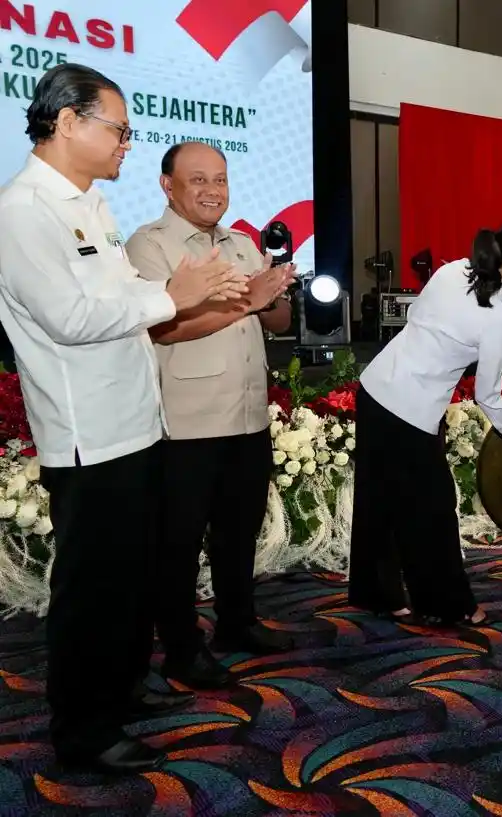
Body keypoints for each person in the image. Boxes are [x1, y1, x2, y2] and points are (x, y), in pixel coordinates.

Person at [0, 64, 246, 773]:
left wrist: (175, 290)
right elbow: (71, 318)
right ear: (67, 121)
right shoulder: (24, 210)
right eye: (120, 130)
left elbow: (121, 295)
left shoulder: (90, 204)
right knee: (93, 590)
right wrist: (173, 295)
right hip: (91, 436)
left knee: (133, 579)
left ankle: (123, 689)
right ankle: (83, 729)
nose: (127, 145)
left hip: (136, 425)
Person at [126, 141, 297, 691]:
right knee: (177, 544)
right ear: (167, 185)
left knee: (238, 533)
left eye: (220, 179)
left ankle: (237, 623)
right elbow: (162, 328)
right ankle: (181, 649)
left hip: (248, 416)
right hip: (187, 424)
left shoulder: (242, 243)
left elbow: (277, 322)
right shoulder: (149, 245)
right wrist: (247, 301)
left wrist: (274, 292)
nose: (212, 191)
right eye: (198, 179)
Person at [347, 221, 502, 625]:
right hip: (409, 411)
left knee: (378, 500)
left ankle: (376, 594)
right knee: (433, 511)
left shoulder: (454, 269)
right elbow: (487, 393)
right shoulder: (498, 316)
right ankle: (449, 605)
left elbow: (416, 315)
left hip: (375, 390)